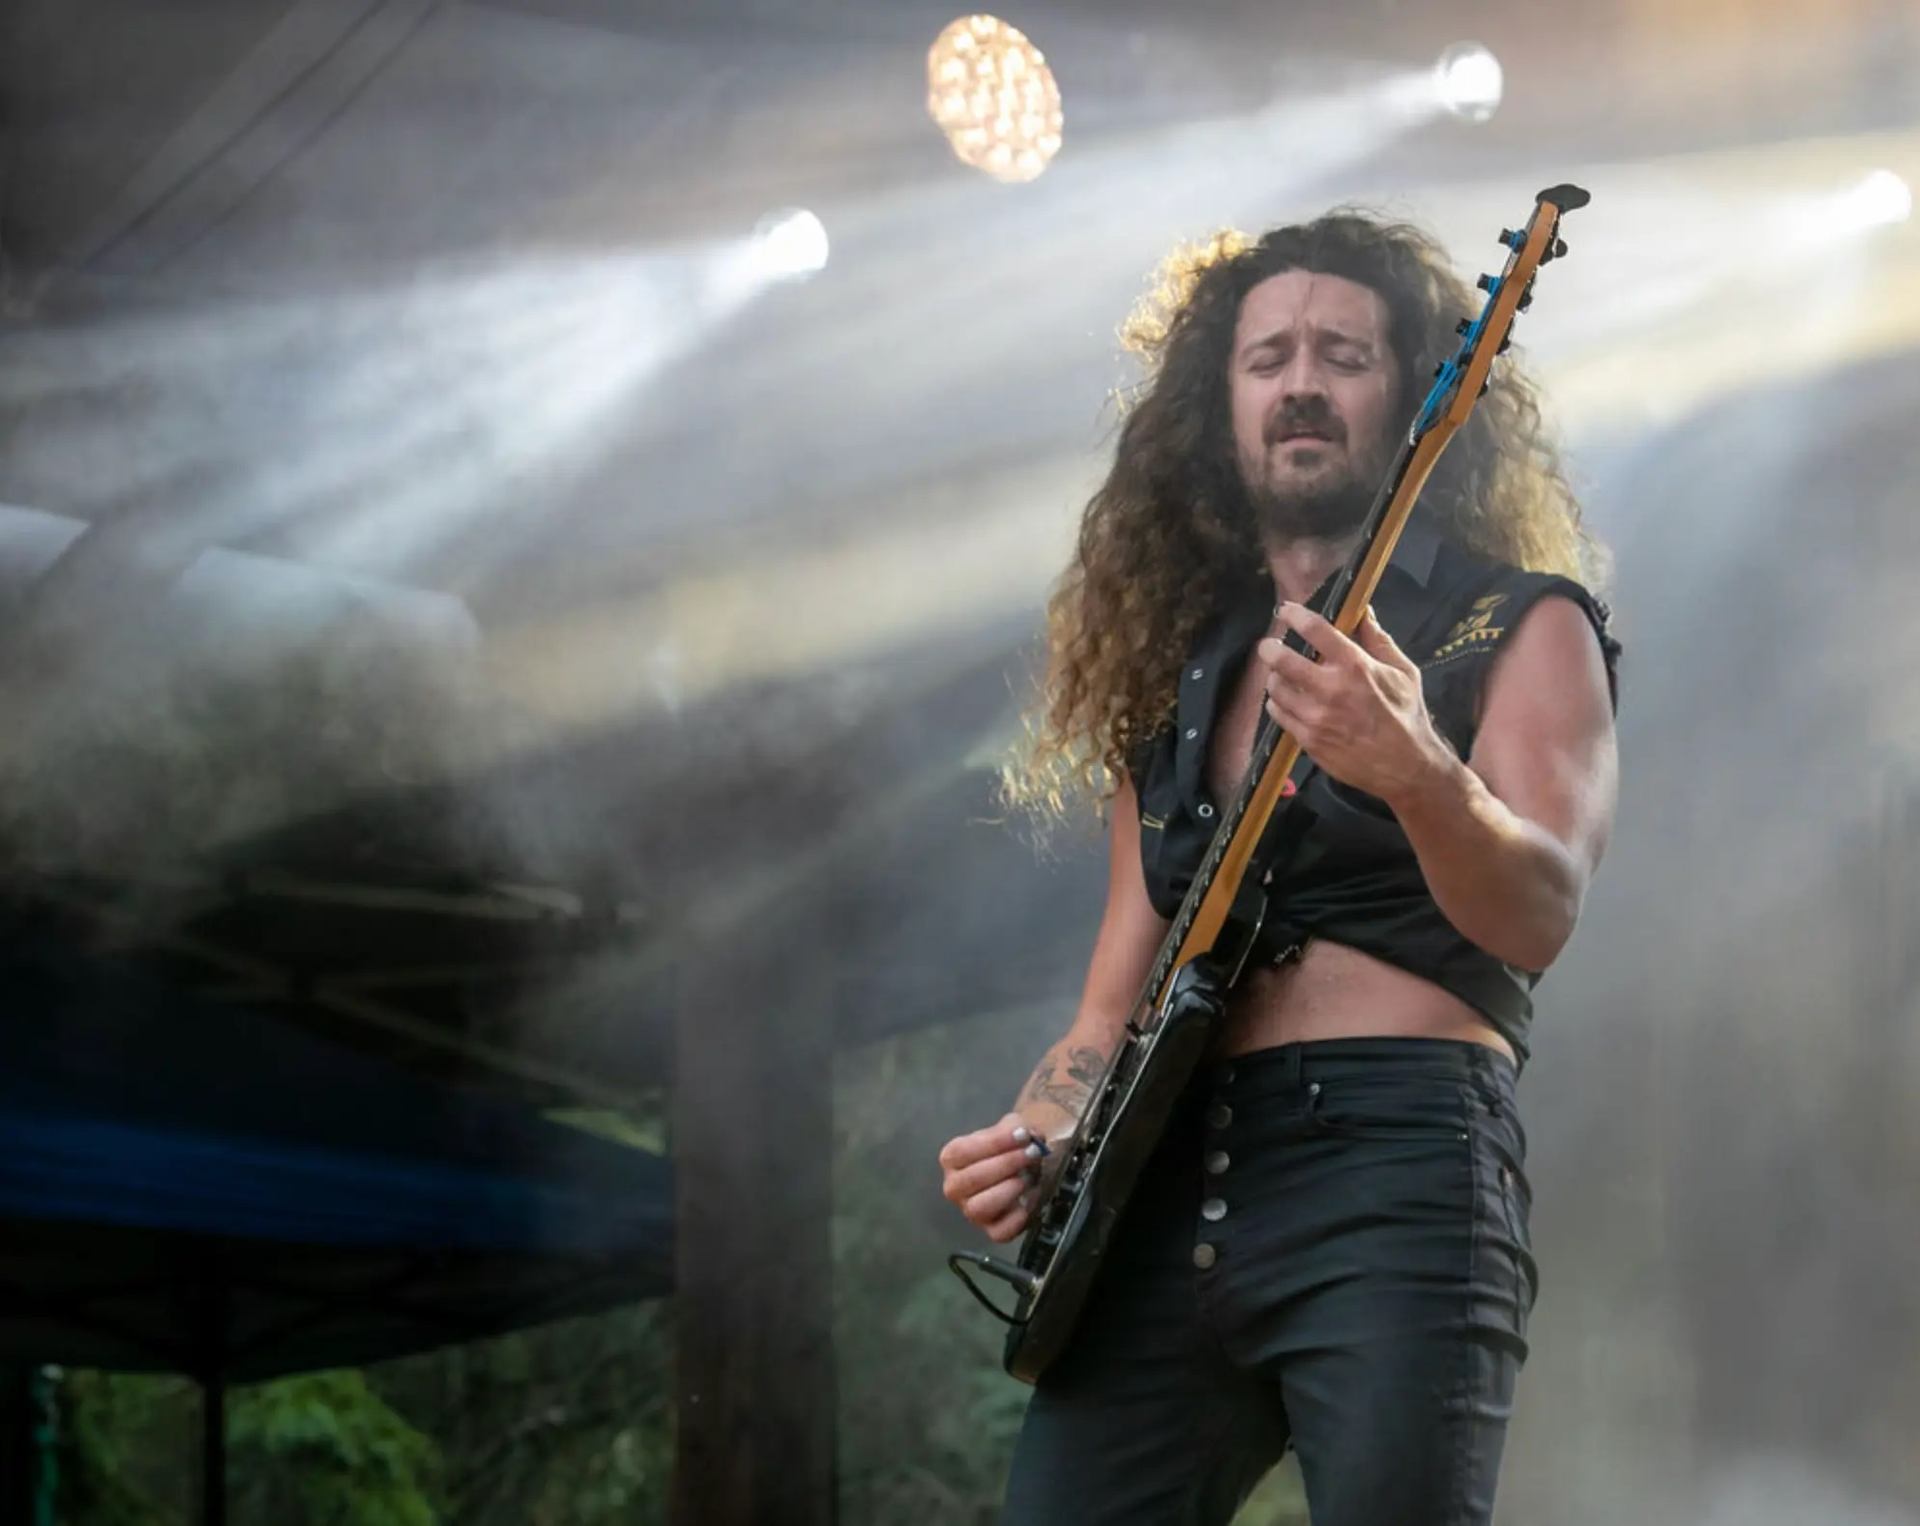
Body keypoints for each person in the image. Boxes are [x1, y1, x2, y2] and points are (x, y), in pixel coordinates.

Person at [937, 211, 1621, 1525]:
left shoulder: (1519, 621)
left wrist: (1418, 769)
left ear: (1420, 392)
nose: (1302, 379)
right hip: (1167, 1177)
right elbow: (1103, 1017)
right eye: (1269, 357)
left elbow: (1537, 916)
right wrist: (1033, 1130)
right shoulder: (1184, 680)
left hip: (1395, 1159)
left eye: (1343, 352)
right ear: (1223, 406)